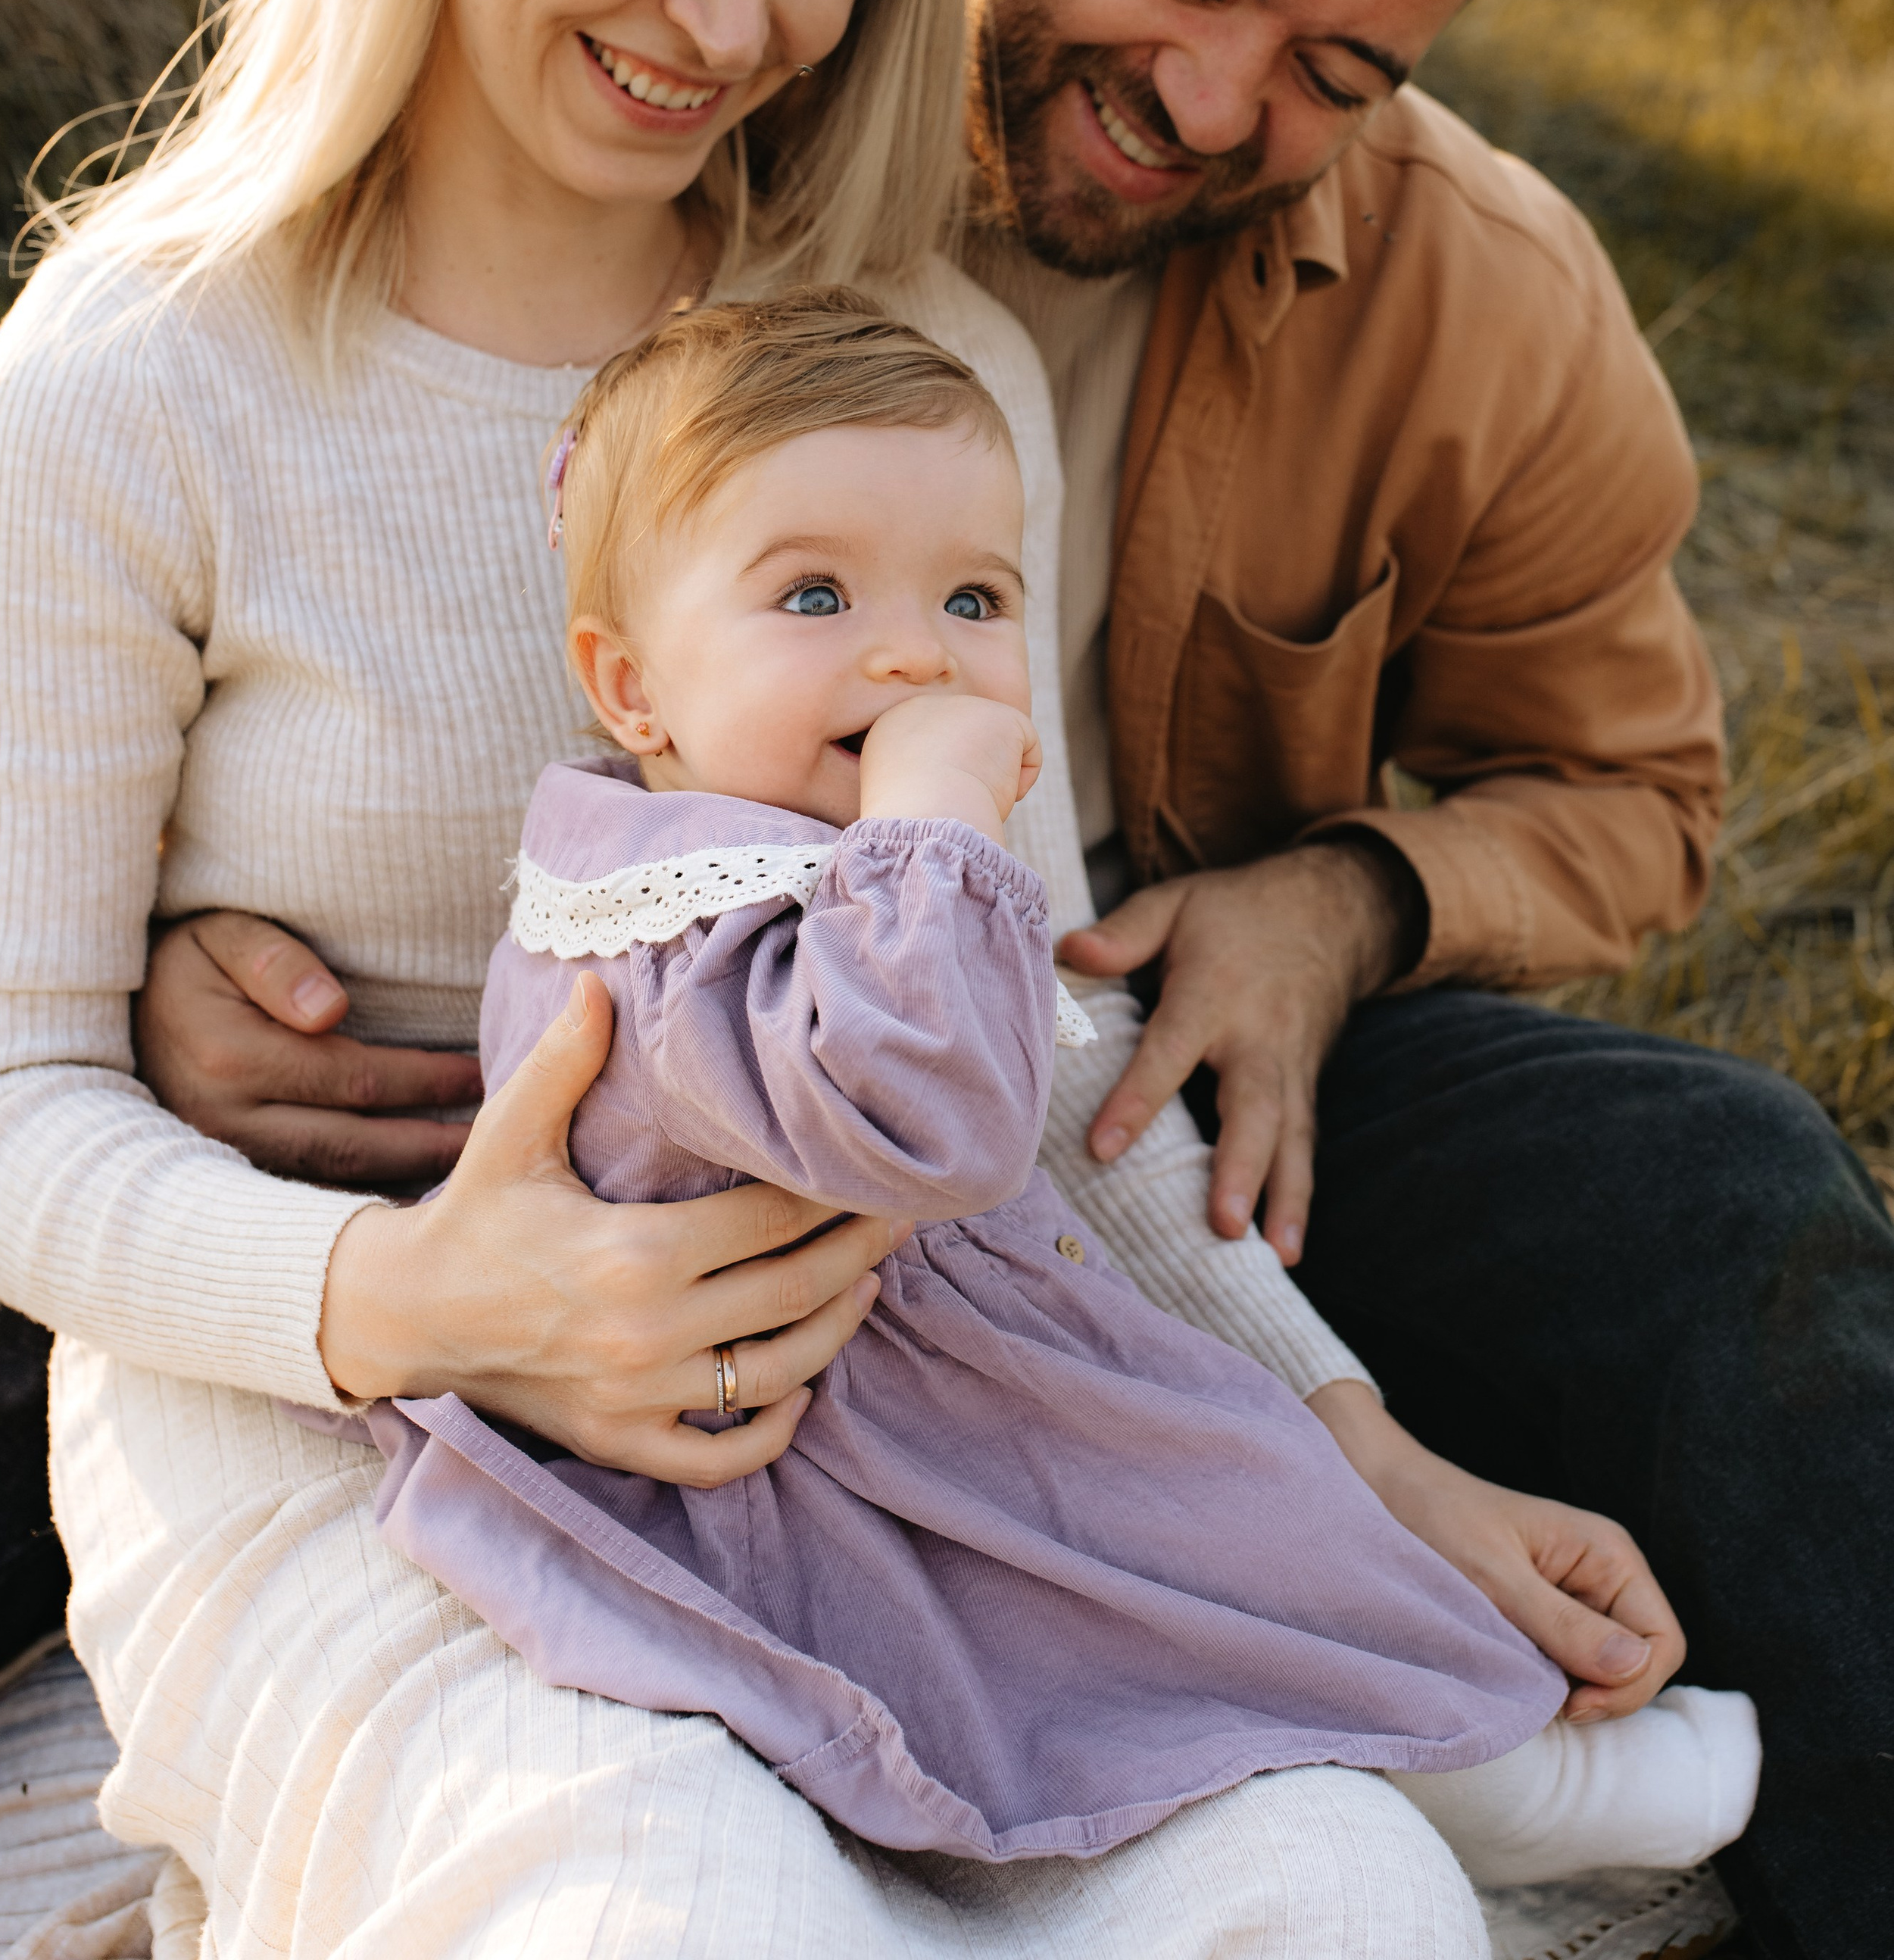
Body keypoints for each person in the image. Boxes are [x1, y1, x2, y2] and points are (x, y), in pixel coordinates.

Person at [0, 0, 1661, 1960]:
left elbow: (1036, 1035)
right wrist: (427, 1296)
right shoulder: (137, 384)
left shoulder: (900, 373)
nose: (731, 17)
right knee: (673, 1898)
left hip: (910, 1425)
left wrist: (1361, 1447)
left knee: (1332, 1884)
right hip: (344, 1427)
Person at [953, 0, 1894, 1960]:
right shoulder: (710, 99)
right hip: (703, 1079)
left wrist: (1339, 904)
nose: (1210, 102)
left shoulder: (1493, 295)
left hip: (1197, 1094)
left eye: (1342, 73)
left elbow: (1637, 791)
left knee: (1738, 1198)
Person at [352, 285, 1757, 1887]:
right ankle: (1511, 1796)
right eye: (810, 596)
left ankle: (1480, 1744)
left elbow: (1041, 1097)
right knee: (1178, 1599)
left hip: (959, 1378)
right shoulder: (681, 918)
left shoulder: (802, 852)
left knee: (1263, 1518)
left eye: (972, 598)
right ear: (630, 688)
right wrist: (938, 820)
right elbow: (926, 1119)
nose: (908, 651)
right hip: (838, 1466)